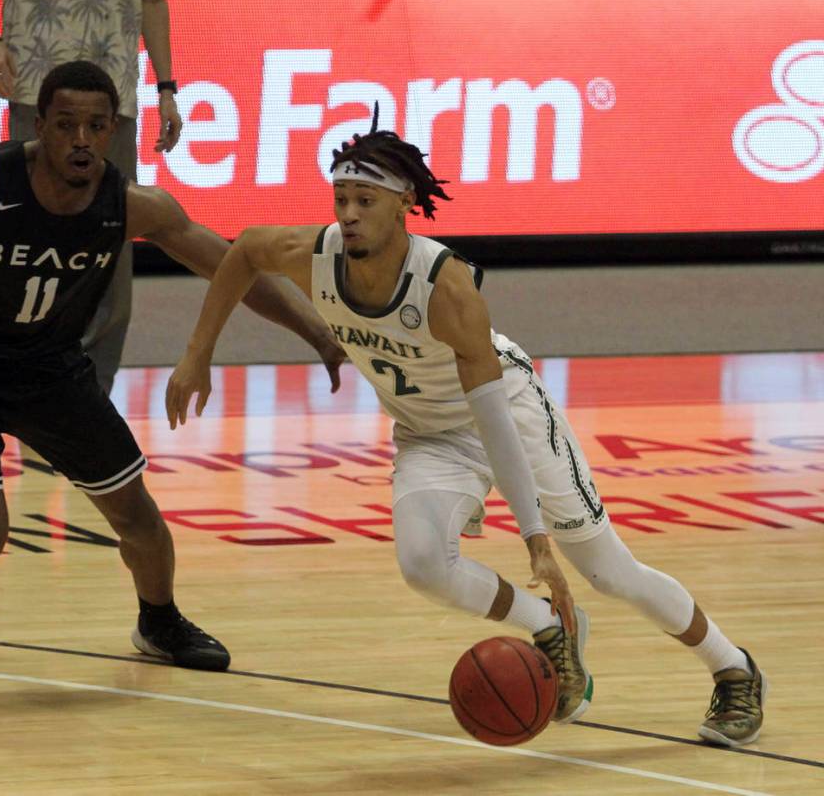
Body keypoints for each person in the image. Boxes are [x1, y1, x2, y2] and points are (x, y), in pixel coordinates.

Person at [165, 118, 767, 743]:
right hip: (428, 431)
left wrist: (535, 538)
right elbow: (241, 252)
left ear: (403, 207)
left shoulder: (445, 288)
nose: (348, 215)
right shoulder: (310, 255)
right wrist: (197, 352)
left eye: (365, 202)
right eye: (341, 200)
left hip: (508, 414)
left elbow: (494, 420)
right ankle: (550, 625)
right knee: (423, 563)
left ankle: (733, 669)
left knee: (608, 570)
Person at [0, 61, 342, 673]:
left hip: (49, 367)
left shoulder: (133, 205)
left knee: (138, 517)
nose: (81, 139)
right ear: (41, 127)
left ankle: (159, 622)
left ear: (112, 131)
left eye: (96, 126)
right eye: (67, 125)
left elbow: (233, 266)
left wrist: (317, 333)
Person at [0, 0, 182, 394]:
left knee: (111, 244)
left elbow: (152, 0)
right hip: (35, 80)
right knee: (30, 242)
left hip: (114, 90)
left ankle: (93, 391)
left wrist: (166, 87)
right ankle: (27, 381)